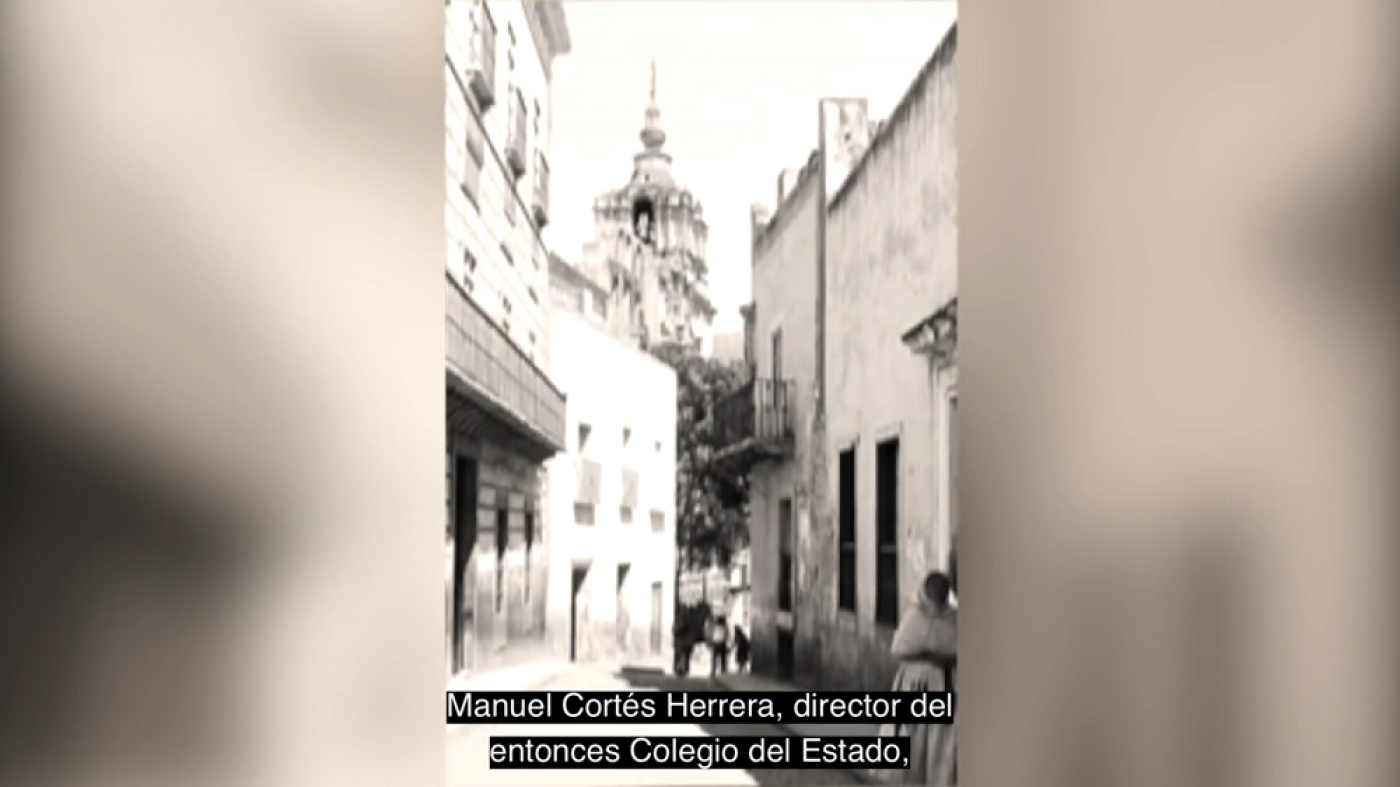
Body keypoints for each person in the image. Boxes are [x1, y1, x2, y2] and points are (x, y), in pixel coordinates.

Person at [878, 571, 957, 785]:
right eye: (935, 590)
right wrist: (929, 654)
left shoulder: (953, 618)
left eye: (942, 590)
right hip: (913, 685)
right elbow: (899, 647)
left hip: (943, 684)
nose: (938, 594)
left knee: (939, 744)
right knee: (911, 738)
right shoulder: (914, 616)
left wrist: (941, 657)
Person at [708, 612, 729, 677]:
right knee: (723, 658)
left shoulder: (715, 627)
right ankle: (723, 670)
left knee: (714, 658)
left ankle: (713, 671)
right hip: (722, 643)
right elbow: (727, 635)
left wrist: (710, 642)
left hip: (716, 643)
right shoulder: (725, 627)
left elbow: (711, 634)